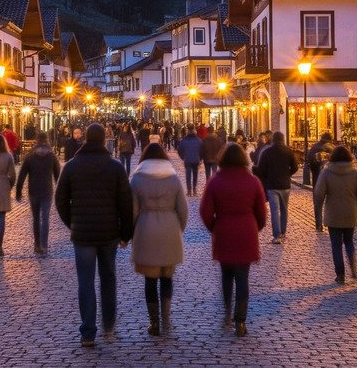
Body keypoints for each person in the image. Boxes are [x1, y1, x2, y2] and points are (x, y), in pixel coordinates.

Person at [55, 123, 134, 347]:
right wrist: (126, 233)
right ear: (104, 140)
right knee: (108, 278)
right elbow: (126, 203)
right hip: (109, 233)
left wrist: (73, 223)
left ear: (85, 139)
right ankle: (108, 322)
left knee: (86, 282)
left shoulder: (71, 166)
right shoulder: (116, 167)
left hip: (83, 236)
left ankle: (88, 331)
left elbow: (60, 200)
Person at [200, 143, 265, 337]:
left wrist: (215, 227)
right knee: (243, 277)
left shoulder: (215, 181)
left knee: (226, 274)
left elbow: (205, 212)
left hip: (224, 232)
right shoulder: (253, 182)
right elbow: (261, 213)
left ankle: (228, 310)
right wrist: (254, 227)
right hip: (246, 233)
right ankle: (241, 321)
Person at [129, 144, 187, 336]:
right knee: (167, 277)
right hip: (170, 228)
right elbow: (183, 211)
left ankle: (154, 322)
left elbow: (133, 212)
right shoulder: (173, 178)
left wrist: (131, 232)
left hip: (146, 229)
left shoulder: (137, 178)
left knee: (150, 279)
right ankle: (166, 317)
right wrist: (178, 229)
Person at [313, 146, 357, 284]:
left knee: (336, 245)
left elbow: (318, 194)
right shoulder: (355, 173)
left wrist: (318, 216)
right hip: (350, 213)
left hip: (333, 214)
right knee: (349, 242)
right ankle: (354, 270)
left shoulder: (326, 172)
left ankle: (340, 274)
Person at [16, 135, 62, 255]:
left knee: (36, 218)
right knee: (45, 218)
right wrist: (61, 191)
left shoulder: (30, 156)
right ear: (47, 141)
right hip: (47, 190)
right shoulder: (52, 156)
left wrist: (18, 191)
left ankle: (37, 245)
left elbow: (22, 174)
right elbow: (58, 176)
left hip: (33, 190)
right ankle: (44, 245)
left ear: (36, 141)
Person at [253, 132, 298, 244]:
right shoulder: (288, 151)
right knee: (284, 210)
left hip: (272, 186)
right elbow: (295, 167)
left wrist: (258, 172)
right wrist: (288, 174)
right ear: (283, 139)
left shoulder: (267, 152)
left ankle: (277, 236)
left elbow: (261, 170)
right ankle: (283, 232)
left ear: (273, 140)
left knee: (275, 211)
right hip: (285, 185)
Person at [177, 127, 204, 196]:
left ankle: (189, 191)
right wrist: (200, 158)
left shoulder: (184, 140)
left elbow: (179, 150)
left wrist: (183, 157)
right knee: (195, 175)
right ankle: (194, 190)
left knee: (188, 176)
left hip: (187, 160)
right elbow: (202, 151)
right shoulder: (199, 140)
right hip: (196, 160)